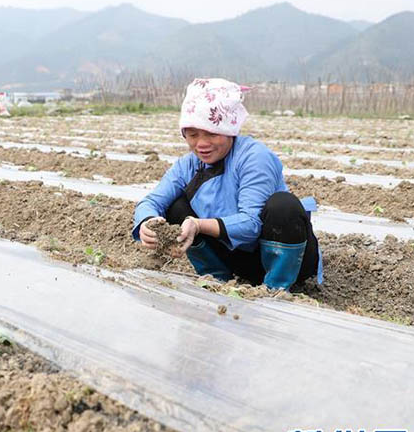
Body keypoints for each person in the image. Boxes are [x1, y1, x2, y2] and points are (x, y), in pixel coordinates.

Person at [133, 78, 322, 290]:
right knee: (175, 205)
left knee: (283, 205)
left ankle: (277, 288)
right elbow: (151, 201)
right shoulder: (187, 165)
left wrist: (198, 224)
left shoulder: (254, 157)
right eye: (193, 135)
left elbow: (251, 225)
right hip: (236, 259)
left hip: (285, 258)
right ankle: (216, 277)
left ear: (229, 130)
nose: (201, 144)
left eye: (211, 133)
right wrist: (148, 221)